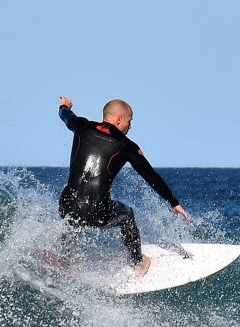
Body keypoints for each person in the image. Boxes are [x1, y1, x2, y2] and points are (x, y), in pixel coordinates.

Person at [57, 95, 190, 276]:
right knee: (127, 215)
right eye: (130, 120)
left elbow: (65, 115)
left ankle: (62, 257)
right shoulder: (126, 145)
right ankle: (139, 262)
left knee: (75, 214)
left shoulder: (82, 126)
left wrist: (64, 106)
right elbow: (150, 175)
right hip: (96, 211)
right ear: (119, 119)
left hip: (65, 203)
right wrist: (173, 202)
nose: (130, 126)